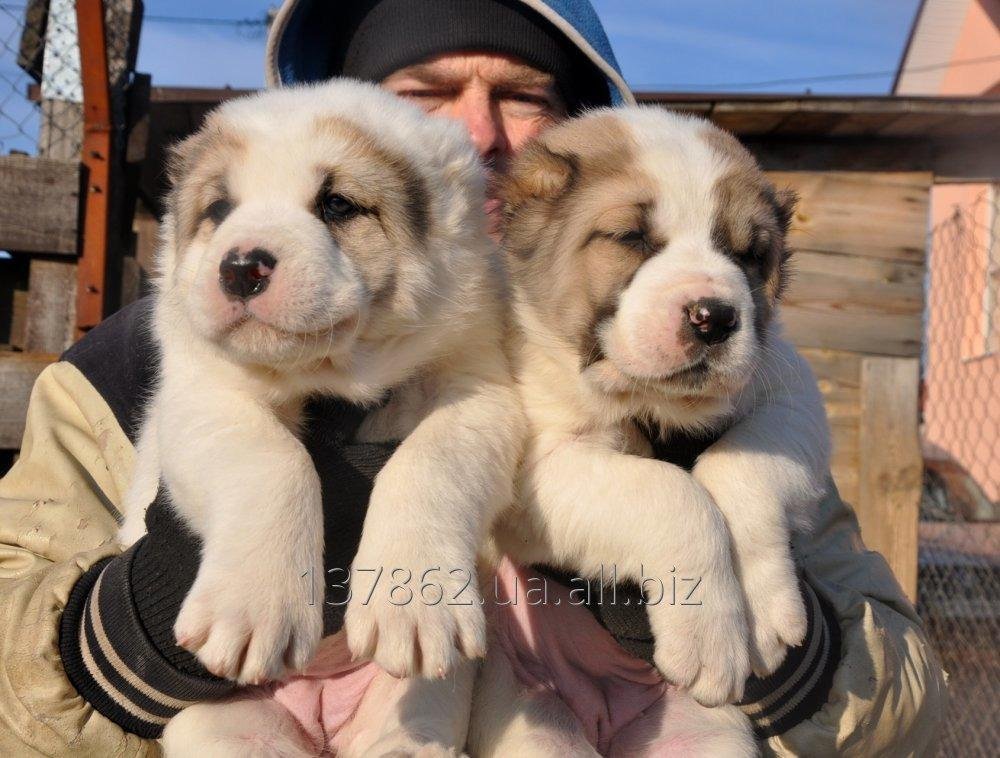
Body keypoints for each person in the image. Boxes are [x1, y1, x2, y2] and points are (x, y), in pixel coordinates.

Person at [0, 1, 946, 755]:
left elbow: (902, 695)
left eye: (526, 95)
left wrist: (755, 648)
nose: (481, 133)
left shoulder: (722, 371)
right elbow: (14, 693)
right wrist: (151, 618)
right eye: (425, 89)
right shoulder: (130, 366)